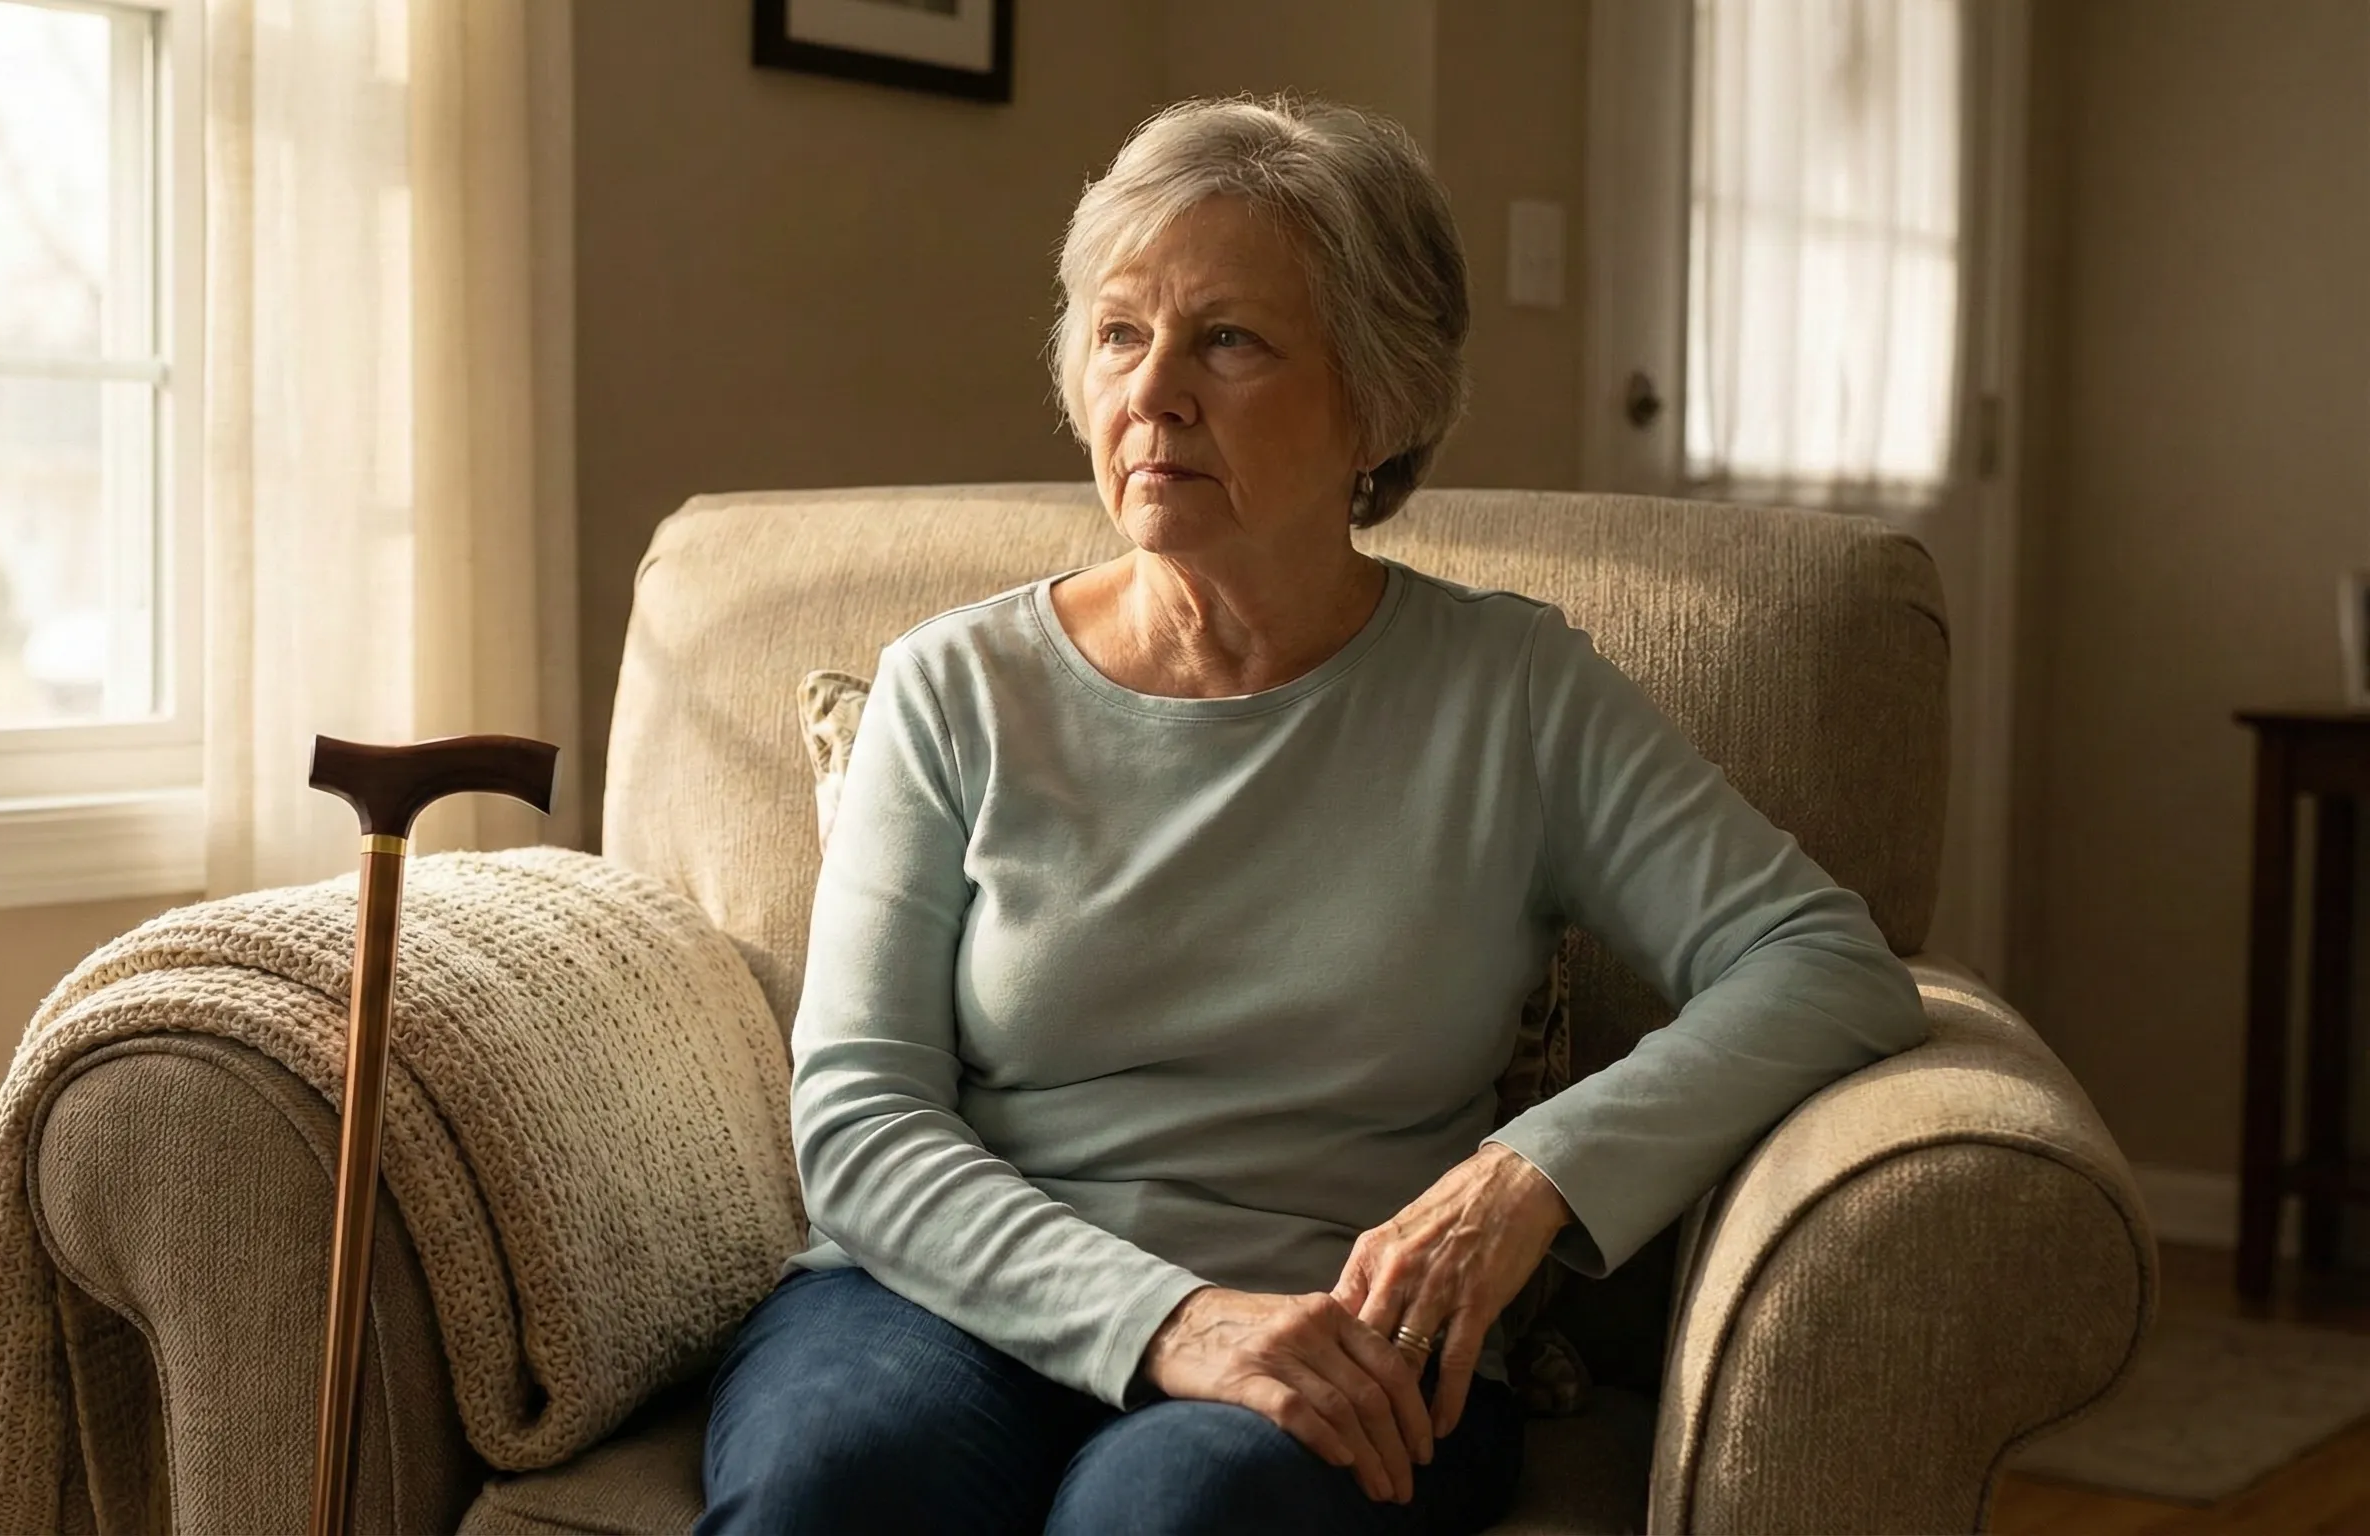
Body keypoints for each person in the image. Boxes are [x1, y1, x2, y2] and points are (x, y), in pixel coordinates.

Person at [696, 95, 1929, 1536]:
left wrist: (1530, 1177)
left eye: (1228, 339)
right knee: (834, 1481)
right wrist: (1166, 1318)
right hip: (951, 1297)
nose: (1152, 391)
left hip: (1330, 1337)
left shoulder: (1512, 696)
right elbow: (860, 1120)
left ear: (1380, 404)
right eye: (1118, 332)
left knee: (1172, 1520)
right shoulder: (953, 687)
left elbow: (1823, 963)